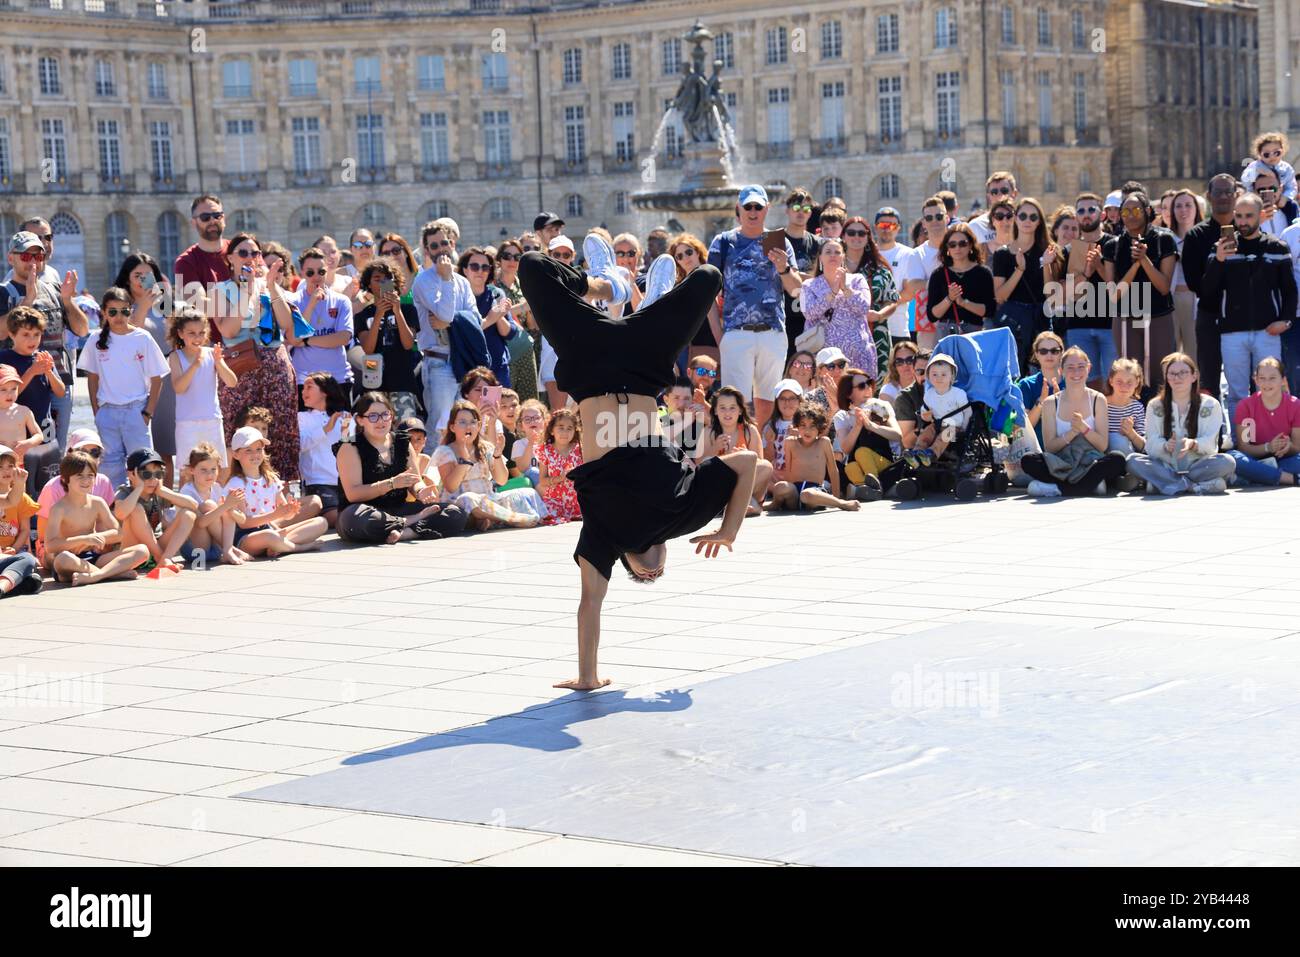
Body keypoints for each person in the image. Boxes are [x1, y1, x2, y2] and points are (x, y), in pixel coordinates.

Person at [517, 238, 759, 691]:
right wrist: (727, 531)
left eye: (649, 575)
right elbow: (748, 463)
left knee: (532, 266)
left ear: (634, 565)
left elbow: (590, 605)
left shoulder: (609, 535)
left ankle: (605, 284)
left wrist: (588, 678)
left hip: (590, 361)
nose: (655, 571)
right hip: (644, 365)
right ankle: (651, 297)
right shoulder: (679, 516)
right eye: (660, 574)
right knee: (707, 277)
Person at [709, 185, 804, 429]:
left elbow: (795, 289)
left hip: (772, 331)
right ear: (738, 208)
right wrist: (719, 334)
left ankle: (762, 447)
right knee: (735, 401)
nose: (753, 211)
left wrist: (783, 267)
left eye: (758, 207)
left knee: (767, 399)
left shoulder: (777, 240)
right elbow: (709, 293)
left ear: (766, 209)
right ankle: (740, 449)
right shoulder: (724, 242)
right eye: (748, 206)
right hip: (736, 332)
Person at [209, 236, 301, 482]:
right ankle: (239, 493)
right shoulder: (218, 291)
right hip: (239, 369)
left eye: (254, 253)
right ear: (230, 258)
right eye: (243, 253)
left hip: (275, 366)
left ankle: (283, 490)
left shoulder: (268, 285)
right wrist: (247, 291)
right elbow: (228, 330)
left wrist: (270, 287)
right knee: (239, 431)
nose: (250, 258)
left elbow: (286, 324)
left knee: (281, 430)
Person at [1202, 191, 1297, 423]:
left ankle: (1271, 440)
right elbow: (1207, 291)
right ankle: (1241, 443)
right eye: (1239, 216)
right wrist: (1219, 261)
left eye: (1249, 216)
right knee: (1236, 395)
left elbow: (1289, 290)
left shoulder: (1277, 247)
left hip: (1268, 332)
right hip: (1232, 332)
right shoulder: (1221, 248)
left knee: (1270, 390)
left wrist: (1285, 321)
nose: (1243, 221)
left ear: (1260, 215)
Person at [336, 392, 464, 545]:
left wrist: (421, 491)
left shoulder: (402, 441)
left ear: (392, 416)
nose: (380, 421)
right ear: (360, 420)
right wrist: (391, 483)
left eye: (385, 415)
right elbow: (353, 494)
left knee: (456, 513)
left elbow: (415, 480)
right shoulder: (350, 447)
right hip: (364, 511)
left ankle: (406, 532)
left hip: (398, 508)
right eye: (373, 416)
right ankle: (410, 521)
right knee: (359, 520)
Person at [0, 230, 87, 453]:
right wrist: (28, 300)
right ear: (11, 257)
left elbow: (81, 328)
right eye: (26, 256)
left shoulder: (53, 289)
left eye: (38, 257)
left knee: (52, 450)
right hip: (14, 388)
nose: (33, 262)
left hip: (55, 379)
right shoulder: (4, 292)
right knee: (17, 452)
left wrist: (67, 300)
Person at [76, 287, 169, 488]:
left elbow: (157, 379)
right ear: (103, 312)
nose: (119, 316)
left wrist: (148, 413)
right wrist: (96, 411)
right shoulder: (95, 339)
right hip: (107, 412)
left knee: (144, 464)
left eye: (124, 311)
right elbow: (92, 378)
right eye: (113, 312)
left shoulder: (142, 338)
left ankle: (146, 512)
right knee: (109, 466)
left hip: (137, 410)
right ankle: (113, 511)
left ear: (131, 310)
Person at [1018, 347, 1128, 497]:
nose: (1076, 373)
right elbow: (1050, 448)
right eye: (1070, 368)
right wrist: (1071, 433)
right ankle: (1087, 486)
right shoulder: (1051, 403)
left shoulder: (1098, 399)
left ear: (1088, 368)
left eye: (1081, 367)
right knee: (1028, 460)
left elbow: (1103, 445)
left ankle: (1059, 488)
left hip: (1090, 461)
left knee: (1117, 459)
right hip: (1060, 463)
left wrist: (1084, 428)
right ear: (1061, 371)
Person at [1125, 353, 1236, 495]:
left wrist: (1193, 444)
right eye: (1172, 373)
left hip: (1198, 465)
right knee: (1132, 461)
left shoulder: (1210, 404)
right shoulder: (1155, 405)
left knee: (1227, 462)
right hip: (1166, 465)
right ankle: (1192, 485)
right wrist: (1164, 446)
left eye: (1183, 373)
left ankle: (1163, 482)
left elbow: (1211, 444)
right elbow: (1151, 444)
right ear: (1167, 377)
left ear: (1194, 376)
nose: (1177, 378)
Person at [1101, 192, 1178, 388]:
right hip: (1126, 318)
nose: (1130, 215)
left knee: (1162, 376)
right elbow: (1113, 294)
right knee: (1130, 378)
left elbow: (1163, 287)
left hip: (1159, 315)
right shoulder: (1113, 246)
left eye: (1136, 210)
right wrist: (1135, 266)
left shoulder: (1164, 240)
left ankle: (1161, 417)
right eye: (1125, 211)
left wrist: (1144, 260)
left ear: (1148, 211)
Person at [433, 400, 547, 530]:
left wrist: (497, 456)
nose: (468, 426)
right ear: (452, 427)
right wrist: (464, 461)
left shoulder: (485, 448)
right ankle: (512, 519)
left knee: (527, 493)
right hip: (460, 504)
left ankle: (487, 519)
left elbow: (502, 480)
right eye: (462, 422)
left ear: (479, 425)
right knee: (468, 498)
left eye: (472, 422)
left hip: (489, 500)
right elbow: (451, 487)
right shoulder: (445, 451)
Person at [115, 252, 178, 486]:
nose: (143, 280)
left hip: (164, 376)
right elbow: (128, 335)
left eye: (148, 275)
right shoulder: (121, 304)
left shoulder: (165, 301)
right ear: (128, 279)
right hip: (132, 378)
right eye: (137, 275)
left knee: (164, 448)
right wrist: (142, 306)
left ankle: (165, 504)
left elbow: (175, 337)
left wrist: (168, 305)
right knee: (135, 446)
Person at [46, 449, 150, 586]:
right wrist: (83, 539)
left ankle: (96, 575)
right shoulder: (58, 509)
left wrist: (95, 539)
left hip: (94, 558)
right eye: (79, 476)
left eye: (90, 475)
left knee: (142, 550)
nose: (86, 480)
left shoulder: (97, 503)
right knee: (62, 559)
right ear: (65, 479)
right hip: (70, 559)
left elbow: (118, 533)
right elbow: (50, 545)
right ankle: (110, 574)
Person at [410, 217, 473, 437]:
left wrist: (451, 322)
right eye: (434, 246)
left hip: (464, 361)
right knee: (440, 427)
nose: (440, 249)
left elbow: (474, 320)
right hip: (438, 362)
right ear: (427, 251)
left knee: (467, 425)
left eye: (444, 243)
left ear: (452, 244)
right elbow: (444, 314)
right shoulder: (423, 281)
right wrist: (446, 278)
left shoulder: (463, 282)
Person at [224, 426, 326, 556]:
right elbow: (244, 523)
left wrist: (290, 510)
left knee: (321, 523)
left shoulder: (271, 479)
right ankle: (298, 547)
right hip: (247, 538)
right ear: (236, 454)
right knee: (269, 536)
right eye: (248, 450)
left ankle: (278, 546)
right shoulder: (236, 483)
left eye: (259, 449)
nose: (255, 454)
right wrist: (275, 516)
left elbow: (284, 514)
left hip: (271, 529)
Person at [1181, 174, 1239, 398]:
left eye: (1228, 192)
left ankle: (1246, 432)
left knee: (1245, 381)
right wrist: (1218, 261)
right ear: (1208, 196)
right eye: (1218, 192)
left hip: (1243, 316)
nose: (1223, 197)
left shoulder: (1246, 230)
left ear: (1236, 195)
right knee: (1209, 381)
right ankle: (1212, 433)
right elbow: (1195, 284)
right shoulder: (1196, 236)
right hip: (1209, 316)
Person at [991, 197, 1060, 370]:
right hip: (1014, 323)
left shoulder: (1049, 250)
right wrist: (1019, 269)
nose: (1027, 221)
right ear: (1015, 218)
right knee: (1014, 373)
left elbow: (1050, 295)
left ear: (1039, 222)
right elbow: (999, 296)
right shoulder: (1002, 254)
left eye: (1033, 217)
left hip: (1040, 321)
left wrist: (1046, 263)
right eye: (1022, 216)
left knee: (1041, 374)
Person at [169, 305, 236, 470]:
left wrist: (219, 362)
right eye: (191, 333)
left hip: (212, 420)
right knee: (187, 470)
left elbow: (232, 382)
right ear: (180, 334)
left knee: (217, 468)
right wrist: (195, 365)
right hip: (187, 423)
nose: (197, 337)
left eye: (201, 332)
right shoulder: (175, 356)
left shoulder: (212, 354)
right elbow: (179, 388)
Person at [353, 257, 421, 419]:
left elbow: (408, 343)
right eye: (377, 279)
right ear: (368, 284)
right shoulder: (363, 315)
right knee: (376, 432)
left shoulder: (408, 310)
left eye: (387, 279)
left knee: (405, 432)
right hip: (374, 385)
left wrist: (397, 311)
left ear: (395, 282)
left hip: (402, 383)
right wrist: (378, 316)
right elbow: (368, 349)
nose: (383, 282)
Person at [113, 447, 197, 573]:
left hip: (155, 548)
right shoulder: (125, 491)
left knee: (188, 514)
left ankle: (166, 558)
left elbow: (193, 505)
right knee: (136, 509)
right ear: (131, 474)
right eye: (146, 475)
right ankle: (160, 558)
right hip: (132, 552)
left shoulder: (158, 491)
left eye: (158, 474)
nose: (153, 480)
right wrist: (139, 488)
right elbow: (120, 513)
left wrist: (164, 492)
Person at [798, 238, 876, 374]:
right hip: (824, 357)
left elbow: (864, 308)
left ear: (843, 257)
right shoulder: (809, 285)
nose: (833, 255)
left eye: (837, 252)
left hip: (858, 354)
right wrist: (832, 293)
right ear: (820, 257)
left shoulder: (857, 280)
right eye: (828, 252)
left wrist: (845, 288)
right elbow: (809, 313)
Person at [766, 403, 861, 513]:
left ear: (820, 427)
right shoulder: (790, 442)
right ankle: (775, 504)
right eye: (803, 425)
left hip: (814, 491)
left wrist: (836, 497)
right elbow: (788, 470)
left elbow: (833, 470)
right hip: (795, 493)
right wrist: (787, 490)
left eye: (812, 426)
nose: (807, 430)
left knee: (807, 494)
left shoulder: (823, 443)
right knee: (780, 486)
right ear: (797, 426)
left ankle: (841, 503)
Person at [695, 385, 774, 515]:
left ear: (740, 411)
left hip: (748, 487)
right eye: (722, 408)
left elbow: (760, 461)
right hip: (721, 486)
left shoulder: (750, 431)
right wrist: (716, 449)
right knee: (708, 463)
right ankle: (740, 505)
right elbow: (698, 466)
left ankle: (734, 504)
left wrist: (744, 457)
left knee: (766, 466)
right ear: (715, 411)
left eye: (732, 408)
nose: (727, 413)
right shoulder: (708, 432)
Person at [289, 246, 354, 395]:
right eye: (310, 272)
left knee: (341, 419)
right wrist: (311, 305)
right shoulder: (293, 300)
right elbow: (294, 338)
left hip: (337, 378)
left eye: (321, 271)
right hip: (304, 380)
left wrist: (306, 341)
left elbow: (343, 337)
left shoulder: (341, 300)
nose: (316, 277)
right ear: (302, 273)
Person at [1227, 356, 1300, 487]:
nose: (1267, 383)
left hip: (1284, 459)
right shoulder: (1246, 405)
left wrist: (1288, 447)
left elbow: (1297, 447)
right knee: (1232, 457)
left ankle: (1256, 474)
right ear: (1256, 380)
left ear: (1283, 380)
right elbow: (1244, 447)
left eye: (1272, 378)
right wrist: (1269, 447)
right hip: (1254, 458)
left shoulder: (1295, 404)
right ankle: (1289, 479)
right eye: (1262, 378)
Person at [839, 217, 898, 378]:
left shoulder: (880, 269)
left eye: (861, 233)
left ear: (868, 238)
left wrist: (880, 315)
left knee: (873, 383)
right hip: (838, 333)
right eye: (851, 233)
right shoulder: (833, 267)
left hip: (875, 333)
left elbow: (892, 300)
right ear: (843, 236)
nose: (856, 237)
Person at [458, 246, 520, 387]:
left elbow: (509, 333)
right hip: (468, 371)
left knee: (499, 408)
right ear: (465, 270)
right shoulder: (458, 297)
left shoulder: (497, 293)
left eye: (485, 267)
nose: (480, 271)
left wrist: (499, 315)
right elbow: (464, 333)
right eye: (474, 266)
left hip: (497, 369)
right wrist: (492, 317)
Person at [832, 368, 898, 500]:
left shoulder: (880, 406)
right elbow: (845, 448)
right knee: (850, 467)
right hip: (859, 464)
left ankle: (874, 488)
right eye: (862, 386)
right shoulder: (842, 416)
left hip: (883, 461)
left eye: (869, 383)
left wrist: (871, 425)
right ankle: (872, 490)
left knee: (862, 452)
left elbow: (897, 435)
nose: (868, 388)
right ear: (848, 394)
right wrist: (857, 426)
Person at [180, 442, 249, 566]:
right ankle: (230, 549)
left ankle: (228, 549)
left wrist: (232, 508)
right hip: (196, 549)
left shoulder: (217, 488)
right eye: (203, 470)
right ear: (192, 470)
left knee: (226, 508)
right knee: (210, 506)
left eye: (213, 469)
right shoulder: (187, 491)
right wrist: (225, 506)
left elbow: (242, 520)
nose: (210, 474)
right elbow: (200, 523)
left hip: (217, 549)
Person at [298, 372, 351, 528]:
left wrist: (345, 431)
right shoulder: (301, 417)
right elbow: (300, 445)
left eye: (309, 387)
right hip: (317, 482)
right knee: (338, 518)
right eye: (303, 388)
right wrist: (326, 429)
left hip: (344, 481)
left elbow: (349, 447)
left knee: (350, 513)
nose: (303, 391)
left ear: (325, 391)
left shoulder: (345, 417)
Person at [926, 223, 996, 340]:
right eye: (952, 244)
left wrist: (964, 303)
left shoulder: (983, 273)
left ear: (970, 246)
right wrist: (949, 299)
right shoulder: (939, 274)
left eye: (962, 244)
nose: (957, 248)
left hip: (974, 333)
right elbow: (932, 316)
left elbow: (990, 311)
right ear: (947, 248)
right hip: (946, 333)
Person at [173, 194, 232, 331]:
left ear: (224, 218)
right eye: (205, 217)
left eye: (217, 215)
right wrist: (244, 303)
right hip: (211, 344)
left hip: (250, 341)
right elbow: (199, 305)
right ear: (193, 223)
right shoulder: (185, 262)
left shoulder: (242, 250)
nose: (212, 221)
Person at [495, 238, 540, 403]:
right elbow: (495, 315)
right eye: (507, 256)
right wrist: (522, 307)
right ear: (499, 260)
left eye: (517, 257)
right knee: (505, 401)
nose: (512, 261)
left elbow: (532, 325)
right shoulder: (493, 285)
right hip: (503, 351)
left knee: (529, 401)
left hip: (525, 349)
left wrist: (529, 308)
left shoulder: (524, 285)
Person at [669, 234, 723, 371]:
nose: (685, 258)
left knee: (715, 389)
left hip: (715, 349)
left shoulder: (713, 277)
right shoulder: (677, 288)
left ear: (697, 251)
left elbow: (715, 323)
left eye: (688, 252)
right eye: (679, 256)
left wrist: (726, 353)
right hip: (687, 354)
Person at [780, 187, 823, 353]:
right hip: (783, 316)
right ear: (787, 211)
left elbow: (824, 278)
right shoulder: (777, 240)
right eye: (796, 208)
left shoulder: (818, 244)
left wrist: (794, 274)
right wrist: (805, 277)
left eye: (806, 209)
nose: (801, 213)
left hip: (810, 317)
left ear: (810, 213)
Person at [873, 206, 924, 346]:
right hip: (870, 327)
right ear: (875, 227)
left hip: (898, 328)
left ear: (898, 228)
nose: (887, 228)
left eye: (892, 225)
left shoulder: (908, 254)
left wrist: (883, 306)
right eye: (883, 224)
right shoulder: (867, 253)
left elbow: (909, 292)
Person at [0, 445, 42, 597]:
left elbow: (25, 529)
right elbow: (11, 500)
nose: (6, 471)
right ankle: (15, 583)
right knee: (29, 578)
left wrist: (14, 548)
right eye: (0, 467)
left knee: (27, 559)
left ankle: (2, 587)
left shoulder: (21, 498)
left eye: (10, 466)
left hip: (9, 555)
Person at [911, 196, 950, 349]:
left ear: (947, 218)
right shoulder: (917, 253)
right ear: (924, 223)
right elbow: (914, 285)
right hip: (929, 323)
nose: (934, 221)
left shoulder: (959, 245)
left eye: (939, 216)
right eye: (929, 217)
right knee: (930, 367)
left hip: (960, 317)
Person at [1167, 189, 1201, 359]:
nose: (1183, 210)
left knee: (1194, 354)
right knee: (1170, 355)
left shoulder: (1203, 237)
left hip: (1194, 299)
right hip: (1171, 299)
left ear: (1196, 208)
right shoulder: (1166, 239)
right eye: (1178, 206)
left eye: (1188, 205)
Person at [536, 406, 583, 523]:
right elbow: (542, 480)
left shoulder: (581, 449)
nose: (565, 432)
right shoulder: (545, 450)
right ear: (552, 430)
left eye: (569, 428)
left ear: (575, 430)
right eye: (561, 428)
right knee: (548, 518)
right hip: (554, 500)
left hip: (577, 499)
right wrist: (559, 478)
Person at [1243, 131, 1298, 203]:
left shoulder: (1286, 168)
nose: (1272, 157)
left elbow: (1292, 187)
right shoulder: (1255, 166)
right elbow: (1245, 181)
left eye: (1276, 152)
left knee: (1293, 207)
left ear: (1283, 151)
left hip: (1280, 200)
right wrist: (1257, 171)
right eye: (1266, 154)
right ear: (1259, 154)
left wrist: (1285, 197)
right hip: (1257, 201)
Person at [879, 341, 921, 409]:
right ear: (894, 366)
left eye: (910, 360)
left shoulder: (927, 386)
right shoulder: (888, 391)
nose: (905, 365)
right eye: (899, 361)